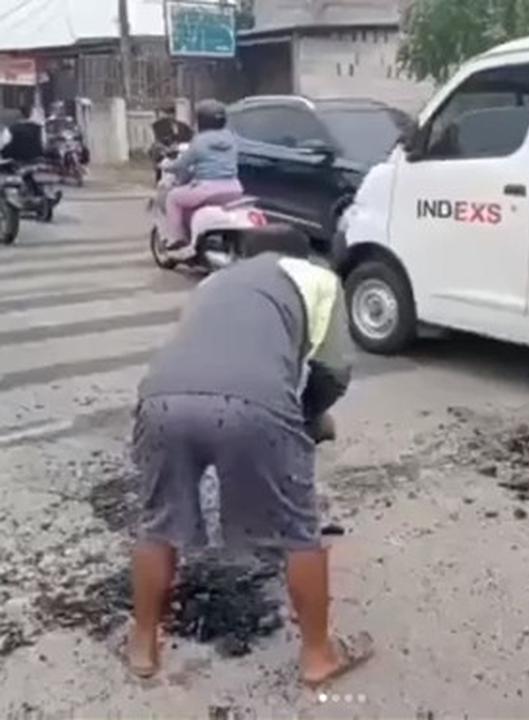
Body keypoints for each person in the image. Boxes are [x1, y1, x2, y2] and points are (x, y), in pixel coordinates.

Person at [126, 224, 370, 686]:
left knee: (157, 523)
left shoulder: (216, 283)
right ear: (305, 257)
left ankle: (143, 645)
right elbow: (334, 370)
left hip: (160, 399)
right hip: (254, 404)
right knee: (300, 531)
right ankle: (318, 656)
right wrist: (308, 415)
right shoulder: (318, 279)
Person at [162, 99, 242, 250]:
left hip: (208, 190)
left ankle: (176, 238)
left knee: (173, 198)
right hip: (234, 189)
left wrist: (167, 166)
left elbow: (182, 164)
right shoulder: (231, 138)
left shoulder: (199, 141)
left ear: (202, 120)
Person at [0, 105, 59, 205]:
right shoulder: (39, 129)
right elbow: (44, 144)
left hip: (16, 160)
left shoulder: (11, 129)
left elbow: (2, 144)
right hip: (36, 159)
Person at [149, 103, 194, 178]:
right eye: (166, 113)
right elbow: (157, 141)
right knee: (156, 150)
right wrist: (165, 148)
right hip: (164, 150)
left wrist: (179, 146)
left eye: (170, 113)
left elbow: (189, 138)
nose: (168, 116)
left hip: (180, 150)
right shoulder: (158, 126)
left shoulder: (183, 126)